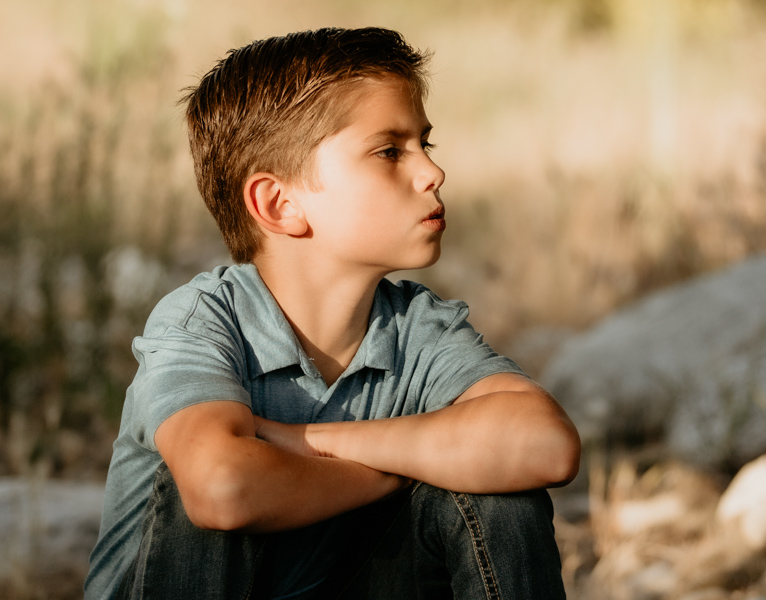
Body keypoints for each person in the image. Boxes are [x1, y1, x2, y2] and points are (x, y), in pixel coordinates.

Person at [84, 26, 581, 600]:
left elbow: (547, 446)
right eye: (389, 151)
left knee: (501, 492)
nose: (432, 173)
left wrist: (306, 439)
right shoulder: (205, 319)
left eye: (426, 144)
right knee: (207, 472)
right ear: (279, 203)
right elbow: (222, 488)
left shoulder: (417, 327)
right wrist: (416, 458)